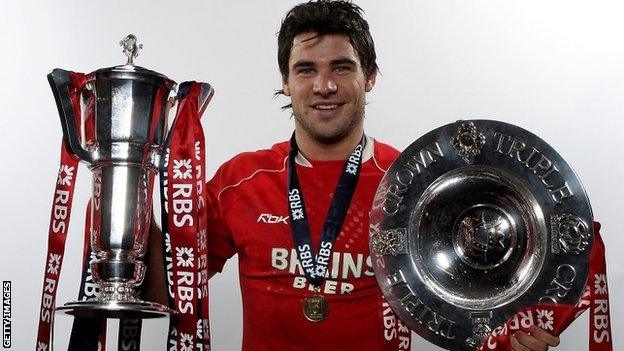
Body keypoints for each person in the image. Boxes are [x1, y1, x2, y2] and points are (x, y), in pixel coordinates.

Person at [150, 1, 562, 350]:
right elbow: (165, 289)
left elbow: (476, 291)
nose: (324, 85)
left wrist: (509, 334)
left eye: (342, 68)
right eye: (306, 69)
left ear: (370, 77)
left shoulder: (413, 183)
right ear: (286, 83)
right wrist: (128, 192)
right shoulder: (240, 180)